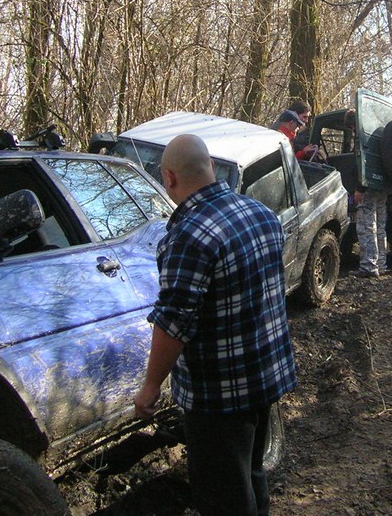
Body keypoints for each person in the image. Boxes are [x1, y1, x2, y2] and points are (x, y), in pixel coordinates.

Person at [133, 134, 297, 516]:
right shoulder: (261, 214)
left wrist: (150, 385)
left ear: (170, 178)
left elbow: (173, 322)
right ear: (209, 167)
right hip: (265, 380)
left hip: (219, 397)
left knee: (223, 497)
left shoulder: (189, 236)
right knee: (252, 474)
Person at [342, 109, 390, 279]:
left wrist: (359, 189)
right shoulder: (380, 136)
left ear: (354, 124)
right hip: (383, 186)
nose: (352, 131)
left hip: (367, 188)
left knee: (366, 227)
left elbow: (363, 165)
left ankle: (369, 267)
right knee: (380, 227)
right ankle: (382, 264)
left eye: (351, 127)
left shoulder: (363, 139)